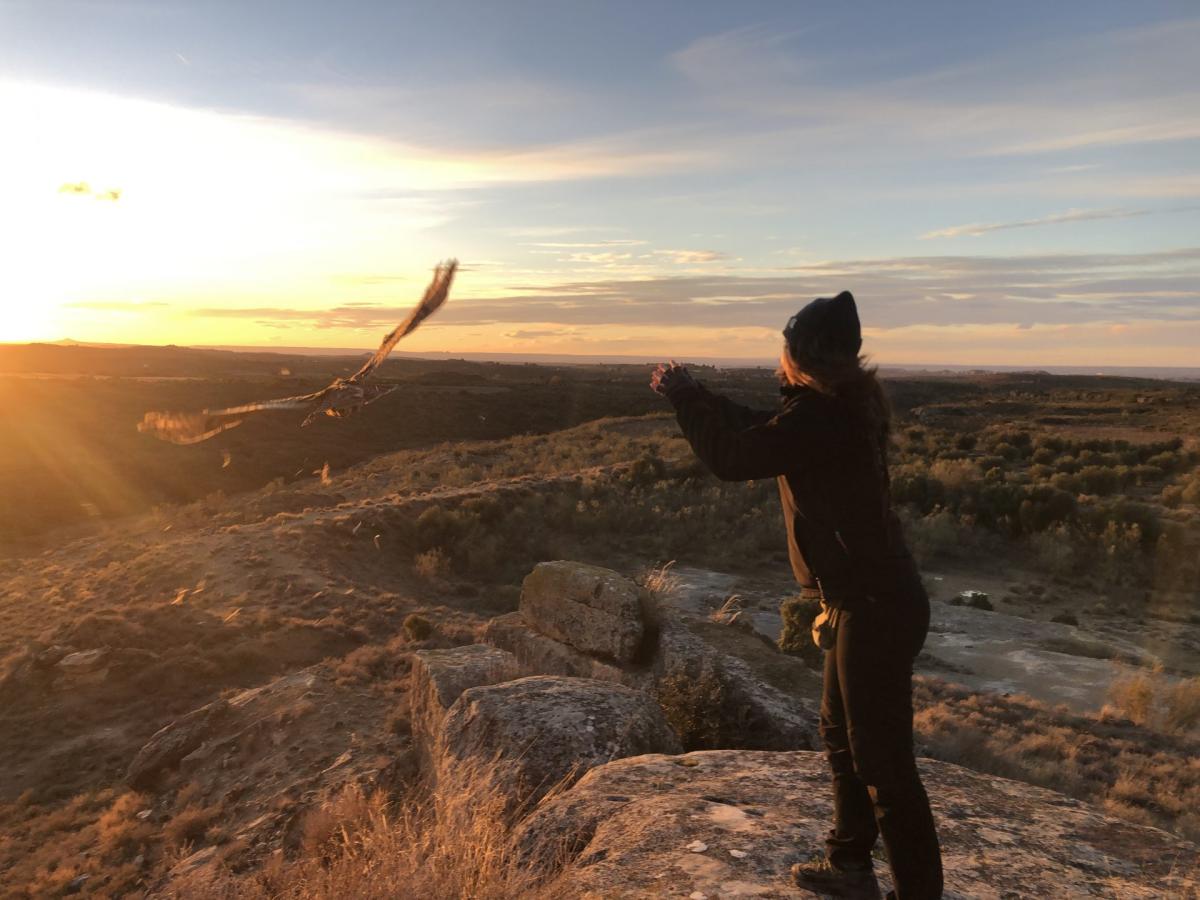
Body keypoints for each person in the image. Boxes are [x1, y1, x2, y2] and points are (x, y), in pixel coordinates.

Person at [650, 291, 943, 900]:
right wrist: (700, 396)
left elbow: (734, 455)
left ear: (799, 356)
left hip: (875, 608)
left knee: (883, 764)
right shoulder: (836, 408)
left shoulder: (822, 418)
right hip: (866, 602)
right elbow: (764, 428)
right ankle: (850, 866)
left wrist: (683, 399)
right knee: (840, 736)